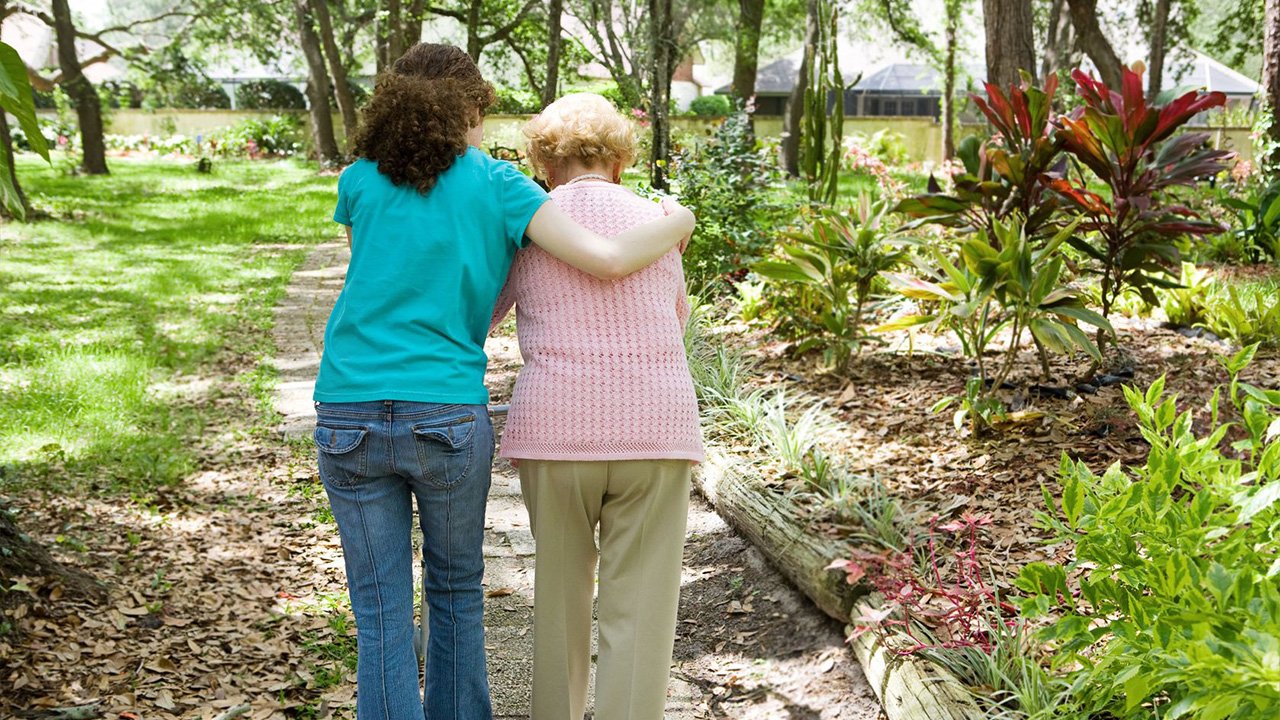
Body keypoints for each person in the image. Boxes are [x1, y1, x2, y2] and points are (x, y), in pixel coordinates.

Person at [312, 47, 695, 720]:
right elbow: (622, 274)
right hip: (455, 415)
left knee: (379, 612)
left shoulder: (359, 181)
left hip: (351, 405)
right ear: (470, 111)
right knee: (456, 592)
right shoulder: (501, 189)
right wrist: (681, 220)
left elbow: (385, 283)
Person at [489, 93, 705, 720]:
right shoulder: (658, 222)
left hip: (556, 432)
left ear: (543, 161)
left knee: (559, 600)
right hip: (655, 431)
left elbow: (486, 312)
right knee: (639, 610)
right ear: (618, 159)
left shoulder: (529, 225)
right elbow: (675, 319)